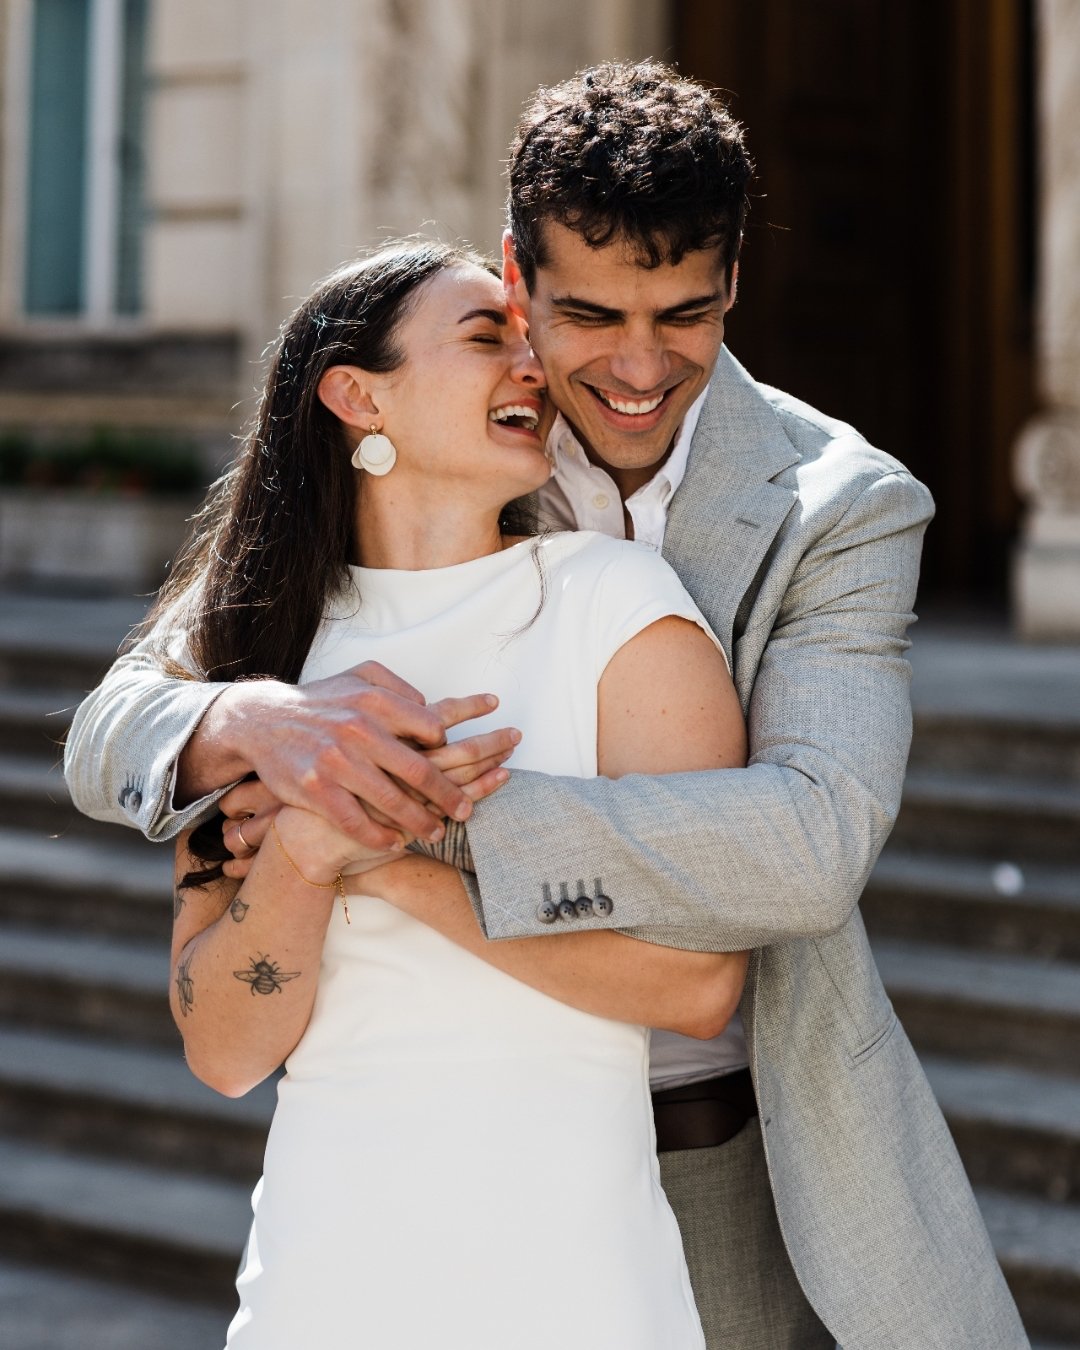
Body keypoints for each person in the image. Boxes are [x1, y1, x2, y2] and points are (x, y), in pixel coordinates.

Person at [65, 62, 1028, 1349]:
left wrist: (397, 818)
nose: (637, 368)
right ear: (517, 282)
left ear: (735, 283)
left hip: (733, 1130)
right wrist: (250, 724)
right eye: (585, 318)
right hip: (380, 1181)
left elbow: (810, 846)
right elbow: (121, 715)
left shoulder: (844, 506)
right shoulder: (470, 437)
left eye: (685, 315)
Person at [156, 240, 747, 1346]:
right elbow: (226, 1049)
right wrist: (298, 857)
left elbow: (700, 984)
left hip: (578, 1292)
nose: (532, 366)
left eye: (527, 342)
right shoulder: (257, 670)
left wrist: (384, 864)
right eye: (487, 338)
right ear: (357, 394)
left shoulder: (622, 611)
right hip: (320, 1291)